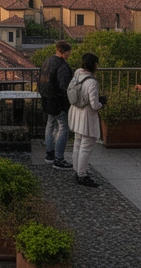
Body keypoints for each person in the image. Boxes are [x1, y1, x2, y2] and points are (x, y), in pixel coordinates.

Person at [67, 52, 104, 188]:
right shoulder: (92, 82)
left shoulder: (77, 74)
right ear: (94, 65)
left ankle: (77, 170)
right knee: (86, 145)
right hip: (86, 116)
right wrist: (102, 103)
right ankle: (82, 174)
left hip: (75, 111)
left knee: (77, 142)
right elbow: (94, 105)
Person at [38, 41, 75, 170]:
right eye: (69, 52)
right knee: (63, 127)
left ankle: (50, 154)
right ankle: (59, 159)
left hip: (46, 99)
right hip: (58, 102)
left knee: (50, 124)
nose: (70, 54)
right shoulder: (63, 66)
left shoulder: (47, 62)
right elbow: (65, 86)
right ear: (65, 52)